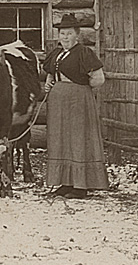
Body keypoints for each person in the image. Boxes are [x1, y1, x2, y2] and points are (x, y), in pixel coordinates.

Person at [42, 13, 108, 199]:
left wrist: (79, 89)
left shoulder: (84, 53)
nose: (65, 37)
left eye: (69, 33)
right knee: (61, 138)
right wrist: (50, 82)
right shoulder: (56, 53)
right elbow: (50, 72)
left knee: (78, 139)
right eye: (62, 33)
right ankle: (65, 182)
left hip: (78, 100)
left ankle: (81, 185)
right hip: (58, 102)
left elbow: (98, 79)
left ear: (77, 35)